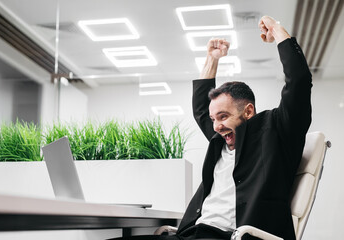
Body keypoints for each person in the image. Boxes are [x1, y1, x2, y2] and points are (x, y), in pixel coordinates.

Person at [109, 15, 312, 240]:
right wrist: (212, 59)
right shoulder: (221, 139)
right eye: (214, 119)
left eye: (223, 116)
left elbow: (299, 82)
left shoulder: (276, 131)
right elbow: (200, 109)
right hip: (192, 234)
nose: (215, 126)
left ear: (248, 112)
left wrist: (278, 32)